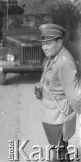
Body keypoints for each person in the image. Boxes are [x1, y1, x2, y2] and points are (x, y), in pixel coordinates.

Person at [36, 24, 81, 162]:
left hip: (57, 118)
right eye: (43, 44)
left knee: (59, 154)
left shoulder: (64, 63)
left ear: (59, 42)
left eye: (48, 43)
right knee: (59, 150)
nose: (44, 47)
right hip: (51, 115)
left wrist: (79, 112)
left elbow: (74, 96)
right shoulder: (53, 57)